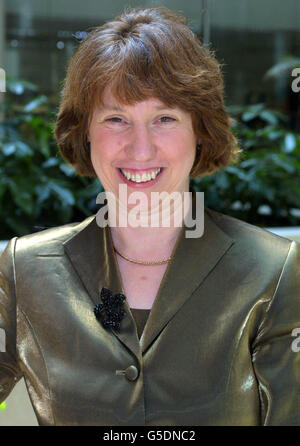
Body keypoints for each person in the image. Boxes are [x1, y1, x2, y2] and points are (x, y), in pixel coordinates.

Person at [0, 6, 300, 427]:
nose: (140, 149)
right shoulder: (23, 270)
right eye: (116, 118)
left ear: (200, 130)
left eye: (164, 118)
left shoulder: (273, 270)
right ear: (85, 132)